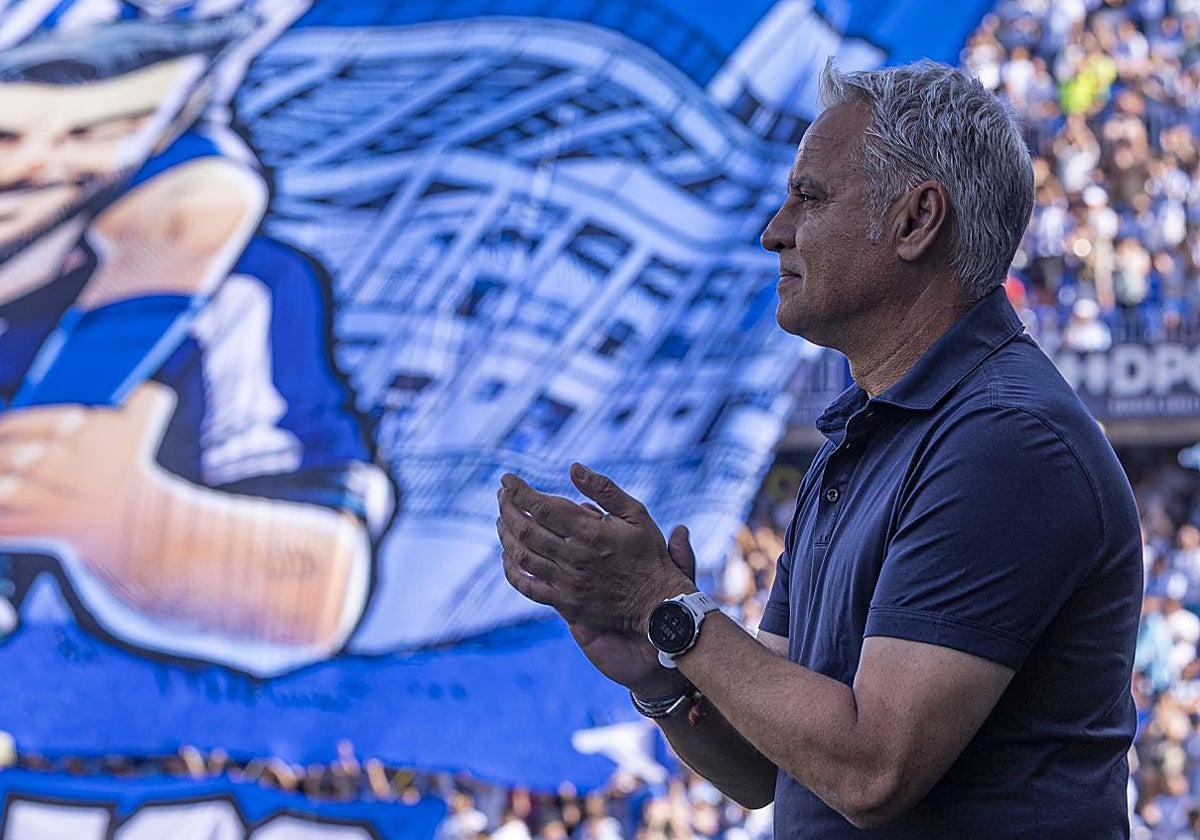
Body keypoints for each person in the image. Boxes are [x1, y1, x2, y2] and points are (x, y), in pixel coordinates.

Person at [497, 59, 1143, 837]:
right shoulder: (865, 440)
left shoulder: (1005, 440)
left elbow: (870, 770)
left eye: (809, 196)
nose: (774, 230)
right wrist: (662, 671)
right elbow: (765, 766)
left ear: (916, 221)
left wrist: (663, 603)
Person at [0, 18, 391, 676]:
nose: (39, 165)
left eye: (95, 131)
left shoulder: (234, 293)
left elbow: (314, 589)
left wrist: (121, 518)